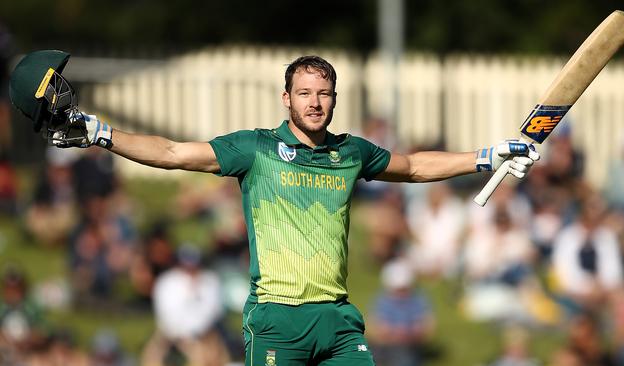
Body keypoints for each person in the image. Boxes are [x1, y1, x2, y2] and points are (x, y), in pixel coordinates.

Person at [10, 51, 540, 365]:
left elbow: (415, 167)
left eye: (324, 93)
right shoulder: (254, 148)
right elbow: (172, 153)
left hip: (337, 320)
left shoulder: (350, 152)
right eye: (305, 92)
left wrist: (487, 155)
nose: (315, 102)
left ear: (334, 99)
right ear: (285, 98)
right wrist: (100, 133)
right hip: (275, 320)